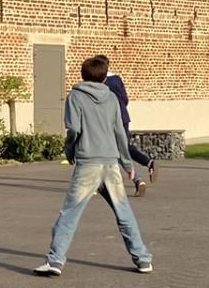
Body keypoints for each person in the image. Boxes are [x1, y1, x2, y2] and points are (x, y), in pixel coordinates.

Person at [33, 56, 153, 275]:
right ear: (105, 77)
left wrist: (69, 151)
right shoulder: (112, 99)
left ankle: (55, 261)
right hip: (110, 164)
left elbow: (74, 130)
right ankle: (143, 259)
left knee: (70, 213)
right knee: (124, 213)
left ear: (82, 75)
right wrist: (128, 165)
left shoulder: (75, 97)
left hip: (88, 163)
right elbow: (120, 134)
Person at [104, 70, 155, 195]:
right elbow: (125, 99)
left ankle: (138, 177)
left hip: (109, 119)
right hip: (123, 116)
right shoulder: (117, 79)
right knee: (122, 147)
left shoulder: (102, 82)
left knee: (118, 149)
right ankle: (145, 167)